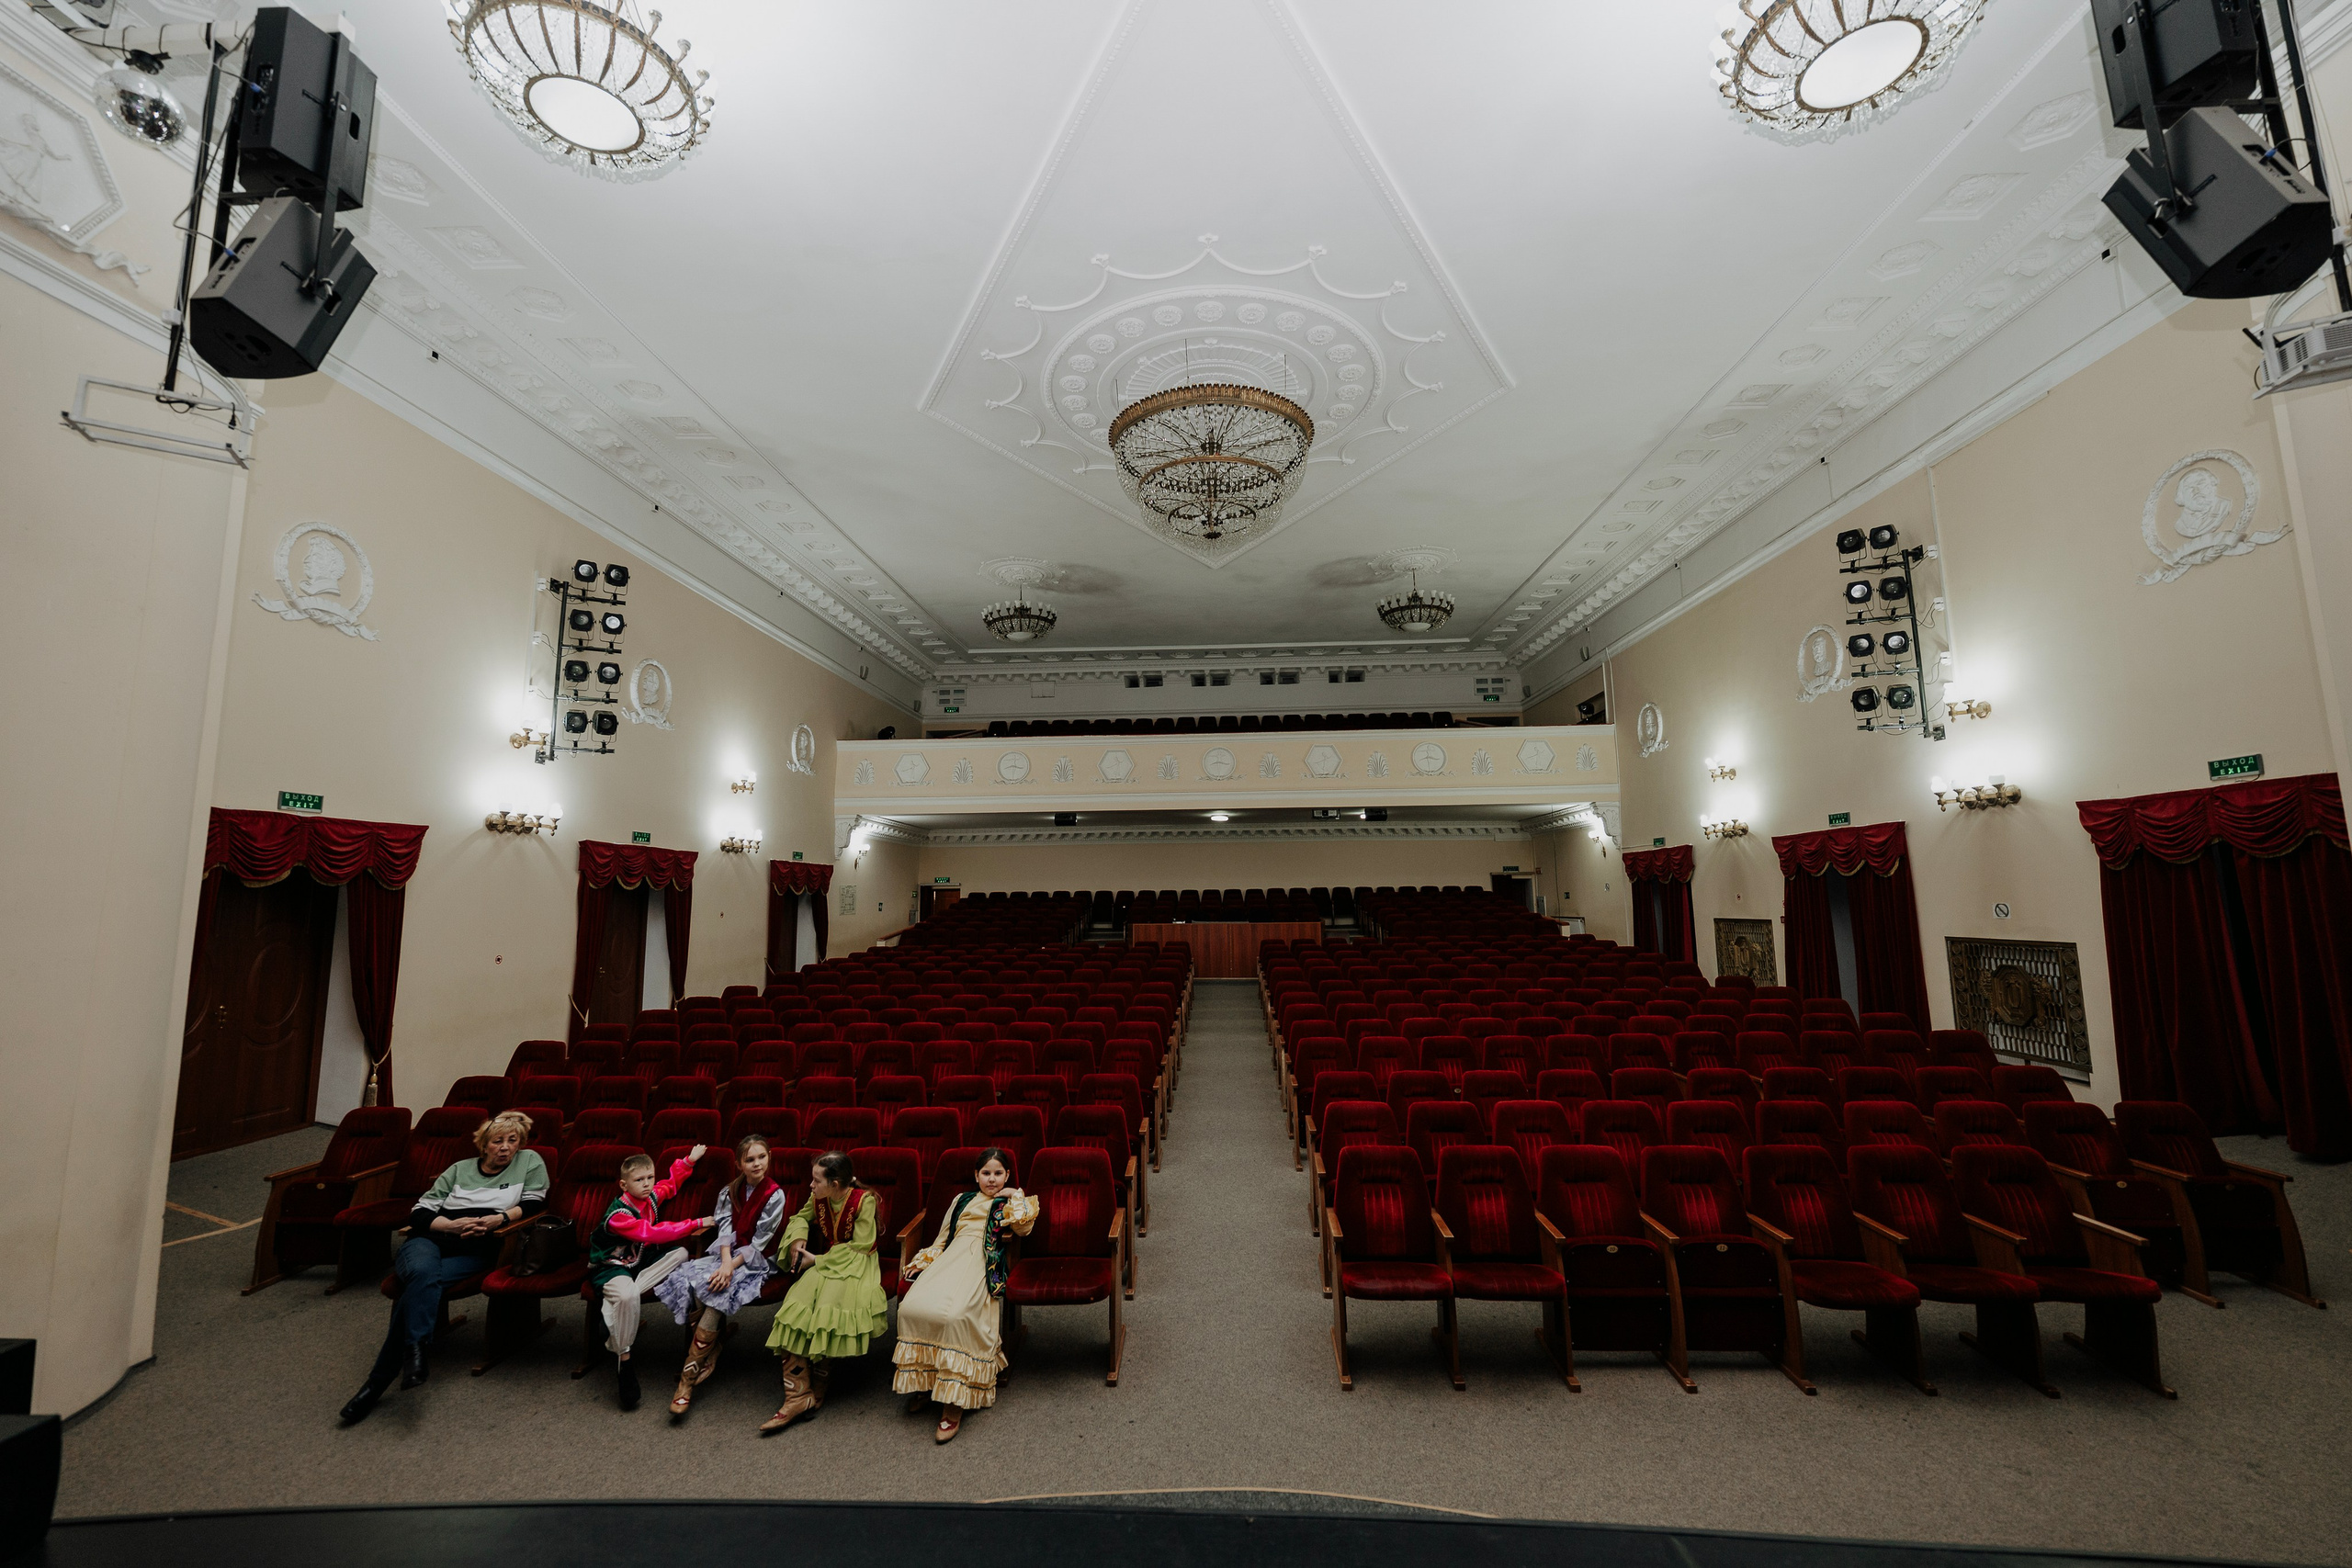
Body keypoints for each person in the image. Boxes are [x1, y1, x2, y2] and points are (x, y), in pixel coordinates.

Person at [338, 1110, 549, 1424]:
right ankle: (416, 1350)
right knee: (423, 1274)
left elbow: (536, 1203)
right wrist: (449, 1226)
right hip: (429, 1242)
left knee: (416, 1287)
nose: (505, 1147)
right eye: (498, 1141)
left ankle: (377, 1383)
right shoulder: (459, 1169)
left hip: (476, 1252)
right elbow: (420, 1212)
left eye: (512, 1140)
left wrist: (499, 1219)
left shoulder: (529, 1161)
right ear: (483, 1145)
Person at [892, 1147, 1038, 1443]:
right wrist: (923, 1262)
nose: (992, 1179)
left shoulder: (1009, 1201)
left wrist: (1014, 1194)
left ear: (1007, 1175)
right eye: (986, 1173)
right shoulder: (961, 1200)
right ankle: (927, 1379)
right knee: (912, 1308)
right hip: (953, 1256)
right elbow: (943, 1237)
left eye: (999, 1173)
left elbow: (1023, 1228)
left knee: (955, 1315)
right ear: (976, 1175)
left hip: (983, 1261)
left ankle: (953, 1401)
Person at [653, 1133, 786, 1417]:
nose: (757, 1164)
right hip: (727, 1255)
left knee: (716, 1293)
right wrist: (724, 1264)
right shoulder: (729, 1191)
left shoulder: (775, 1194)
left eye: (762, 1157)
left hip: (756, 1260)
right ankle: (711, 1349)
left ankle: (687, 1382)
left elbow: (760, 1242)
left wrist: (730, 1267)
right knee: (689, 1279)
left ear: (769, 1158)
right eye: (750, 1159)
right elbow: (724, 1231)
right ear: (739, 1164)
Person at [759, 1150, 888, 1433]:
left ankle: (821, 1379)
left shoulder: (863, 1201)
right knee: (794, 1306)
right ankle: (797, 1395)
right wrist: (798, 1237)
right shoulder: (819, 1196)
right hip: (828, 1260)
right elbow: (799, 1217)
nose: (811, 1185)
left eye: (817, 1181)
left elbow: (861, 1246)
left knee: (827, 1308)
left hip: (855, 1264)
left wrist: (816, 1260)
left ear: (837, 1184)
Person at [587, 1146, 715, 1410]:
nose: (646, 1185)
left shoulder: (651, 1197)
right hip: (610, 1267)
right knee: (627, 1294)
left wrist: (689, 1161)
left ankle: (617, 1307)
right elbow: (651, 1233)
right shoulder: (619, 1215)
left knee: (680, 1253)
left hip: (639, 1265)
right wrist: (695, 1223)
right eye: (639, 1180)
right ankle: (625, 1357)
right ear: (624, 1184)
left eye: (649, 1178)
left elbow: (670, 1184)